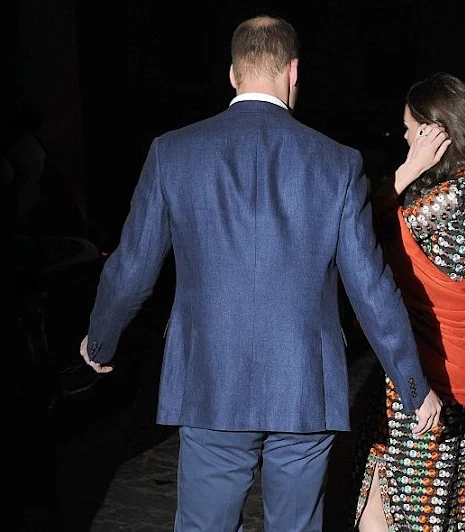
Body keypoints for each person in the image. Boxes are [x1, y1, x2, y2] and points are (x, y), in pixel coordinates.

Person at [78, 15, 442, 532]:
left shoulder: (173, 153)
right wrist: (413, 383)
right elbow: (371, 287)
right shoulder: (337, 163)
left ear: (232, 73)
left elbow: (132, 267)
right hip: (304, 388)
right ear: (294, 71)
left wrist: (101, 340)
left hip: (210, 382)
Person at [350, 73, 465, 531]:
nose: (405, 136)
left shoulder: (452, 198)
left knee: (399, 509)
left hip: (421, 379)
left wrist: (409, 168)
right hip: (462, 382)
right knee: (427, 508)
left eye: (410, 127)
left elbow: (360, 230)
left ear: (434, 130)